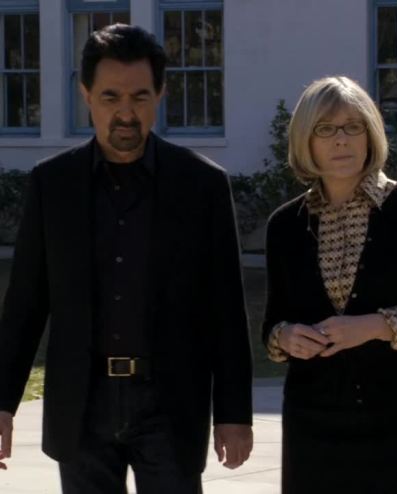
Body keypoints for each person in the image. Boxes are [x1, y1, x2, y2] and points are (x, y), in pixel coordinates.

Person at [0, 24, 253, 493]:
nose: (125, 113)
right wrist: (2, 403)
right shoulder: (52, 185)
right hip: (82, 406)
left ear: (160, 94)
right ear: (86, 95)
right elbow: (25, 304)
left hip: (170, 404)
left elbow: (226, 310)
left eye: (139, 97)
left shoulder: (202, 186)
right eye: (110, 97)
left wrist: (235, 414)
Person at [262, 75, 397, 494]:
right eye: (325, 129)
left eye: (353, 126)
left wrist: (375, 326)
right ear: (305, 140)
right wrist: (285, 336)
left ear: (370, 134)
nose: (341, 140)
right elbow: (272, 325)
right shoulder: (285, 225)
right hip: (313, 420)